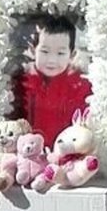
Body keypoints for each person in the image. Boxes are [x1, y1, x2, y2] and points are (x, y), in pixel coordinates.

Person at [16, 14, 92, 147]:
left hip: (66, 151)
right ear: (33, 51)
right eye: (45, 51)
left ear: (72, 55)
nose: (52, 60)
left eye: (60, 53)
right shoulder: (21, 84)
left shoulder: (80, 87)